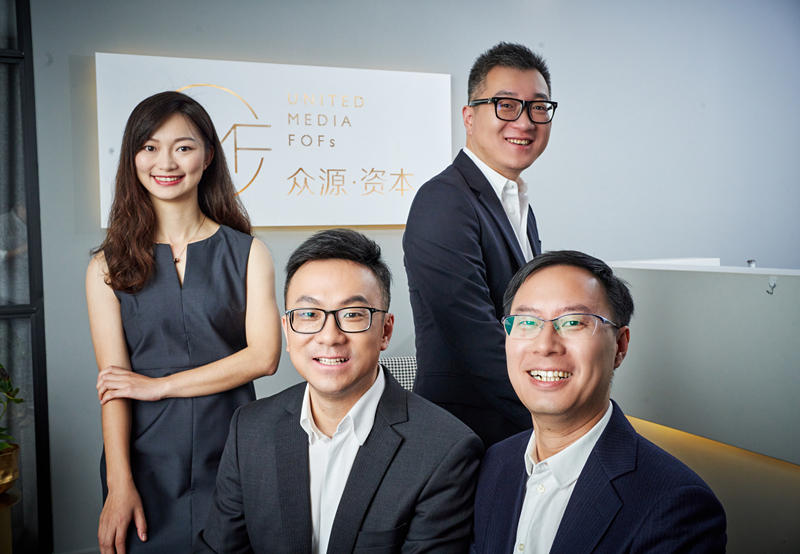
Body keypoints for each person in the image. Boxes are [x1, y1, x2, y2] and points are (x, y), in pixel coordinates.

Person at [197, 229, 483, 553]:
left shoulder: (445, 450)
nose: (330, 336)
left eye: (352, 315)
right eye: (309, 314)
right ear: (287, 331)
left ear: (385, 331)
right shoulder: (249, 429)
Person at [86, 91, 282, 553]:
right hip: (145, 457)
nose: (166, 162)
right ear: (133, 157)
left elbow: (264, 358)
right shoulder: (105, 267)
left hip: (232, 450)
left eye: (184, 147)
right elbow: (114, 386)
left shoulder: (249, 253)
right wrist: (119, 483)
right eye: (150, 147)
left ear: (208, 156)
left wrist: (161, 386)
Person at [470, 251, 727, 553]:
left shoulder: (677, 506)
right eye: (526, 322)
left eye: (573, 322)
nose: (545, 345)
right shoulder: (495, 463)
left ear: (620, 345)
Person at [403, 42, 556, 446]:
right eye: (506, 105)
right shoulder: (444, 199)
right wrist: (557, 413)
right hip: (464, 436)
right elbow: (474, 337)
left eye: (538, 107)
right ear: (469, 117)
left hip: (512, 431)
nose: (524, 122)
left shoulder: (516, 203)